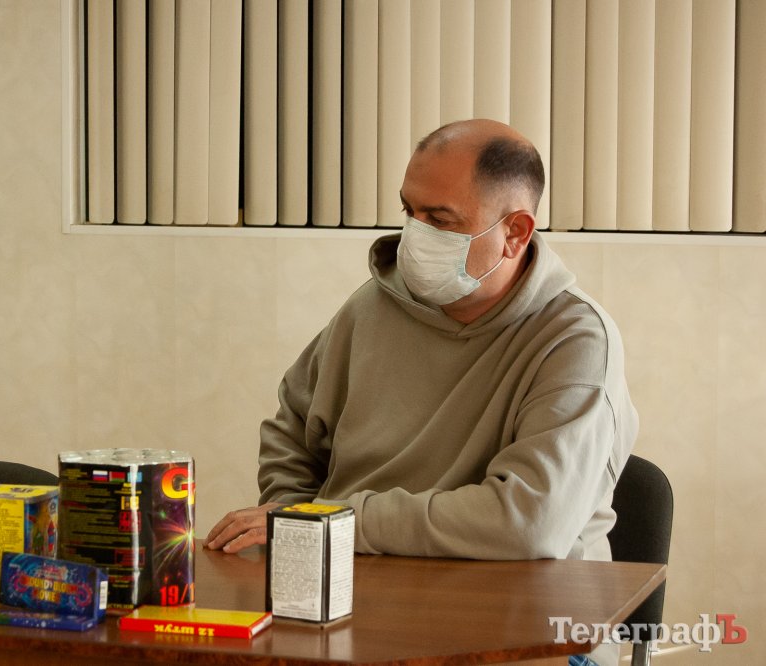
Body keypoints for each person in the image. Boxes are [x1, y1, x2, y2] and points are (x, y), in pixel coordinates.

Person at [206, 119, 637, 666]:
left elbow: (527, 523)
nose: (415, 234)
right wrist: (299, 525)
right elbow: (292, 430)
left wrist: (335, 520)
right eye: (409, 211)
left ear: (515, 232)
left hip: (529, 633)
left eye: (440, 219)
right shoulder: (371, 308)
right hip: (364, 610)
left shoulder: (576, 341)